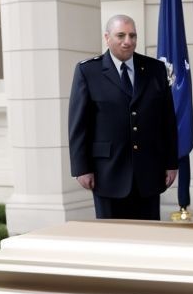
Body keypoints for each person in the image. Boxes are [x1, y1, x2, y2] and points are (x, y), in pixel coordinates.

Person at [68, 14, 178, 220]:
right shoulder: (88, 71)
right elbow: (79, 125)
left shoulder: (155, 69)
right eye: (121, 35)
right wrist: (81, 169)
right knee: (112, 235)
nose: (128, 41)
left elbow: (168, 121)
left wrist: (171, 163)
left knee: (148, 234)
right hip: (107, 173)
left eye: (132, 35)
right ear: (107, 38)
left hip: (149, 172)